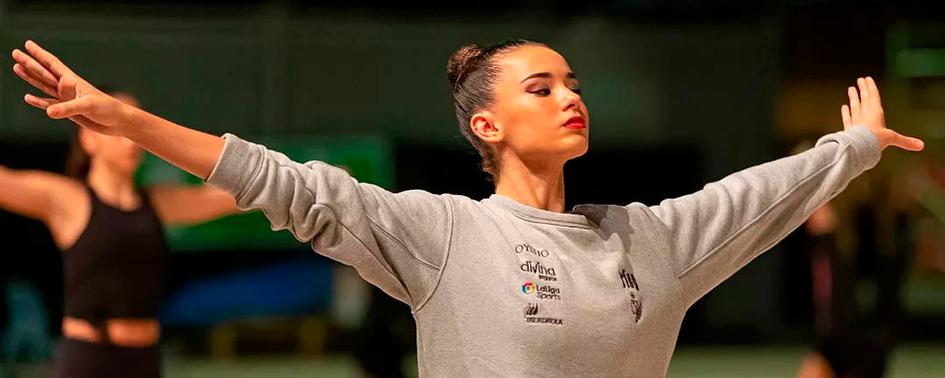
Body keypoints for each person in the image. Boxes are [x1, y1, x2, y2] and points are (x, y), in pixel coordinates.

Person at [11, 39, 924, 377]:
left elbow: (750, 200)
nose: (570, 95)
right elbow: (283, 183)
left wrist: (851, 148)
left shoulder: (649, 240)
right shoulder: (443, 234)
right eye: (541, 86)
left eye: (572, 82)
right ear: (487, 123)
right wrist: (128, 119)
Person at [0, 87, 239, 378]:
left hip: (145, 358)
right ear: (87, 138)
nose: (131, 141)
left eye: (134, 126)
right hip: (89, 358)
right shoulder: (69, 200)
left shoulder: (158, 204)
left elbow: (241, 194)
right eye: (117, 127)